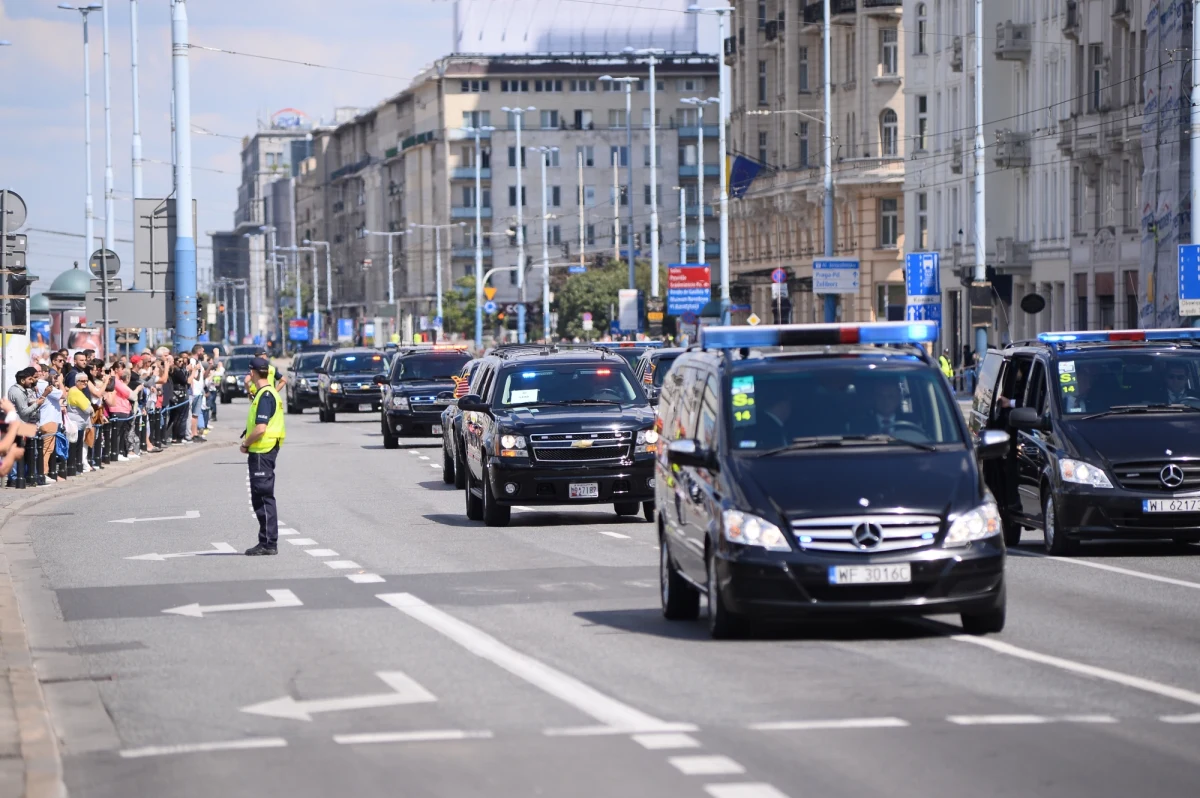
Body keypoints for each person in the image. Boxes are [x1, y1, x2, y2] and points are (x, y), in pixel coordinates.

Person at [242, 357, 286, 556]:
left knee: (263, 497)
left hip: (262, 450)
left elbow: (260, 428)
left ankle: (268, 543)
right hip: (264, 450)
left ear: (253, 373)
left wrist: (245, 443)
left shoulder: (266, 395)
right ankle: (267, 541)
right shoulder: (265, 393)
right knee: (261, 496)